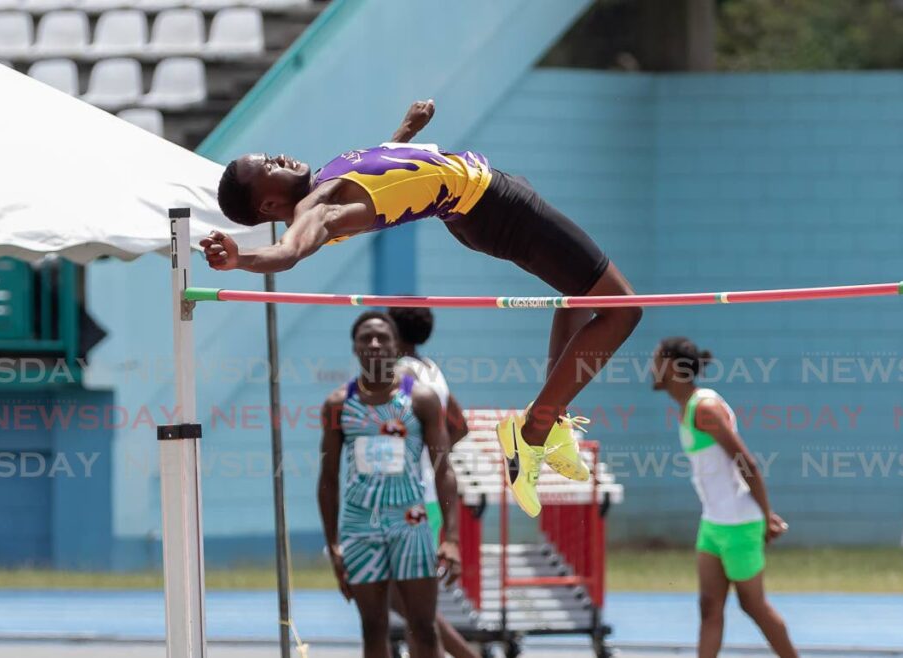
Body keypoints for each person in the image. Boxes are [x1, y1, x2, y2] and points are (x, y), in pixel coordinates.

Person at [203, 99, 642, 517]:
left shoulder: (325, 181)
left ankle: (551, 421)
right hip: (493, 208)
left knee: (581, 295)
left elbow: (386, 175)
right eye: (269, 166)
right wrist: (241, 258)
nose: (279, 156)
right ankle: (533, 431)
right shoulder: (316, 210)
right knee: (622, 308)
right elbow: (289, 250)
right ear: (268, 204)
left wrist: (406, 131)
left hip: (482, 203)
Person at [318, 311, 461, 658]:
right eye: (365, 337)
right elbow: (328, 478)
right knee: (373, 627)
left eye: (383, 337)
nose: (375, 343)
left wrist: (452, 538)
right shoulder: (339, 403)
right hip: (359, 525)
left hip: (410, 521)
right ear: (354, 347)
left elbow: (444, 470)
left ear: (397, 346)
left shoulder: (420, 399)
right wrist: (334, 542)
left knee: (423, 627)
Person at [652, 337, 798, 658]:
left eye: (656, 361)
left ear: (675, 367)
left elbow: (747, 463)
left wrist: (766, 515)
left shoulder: (704, 409)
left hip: (738, 523)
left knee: (754, 606)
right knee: (709, 608)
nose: (651, 369)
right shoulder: (690, 407)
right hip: (713, 524)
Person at [388, 306, 479, 658]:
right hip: (426, 494)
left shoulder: (402, 375)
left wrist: (421, 457)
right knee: (408, 601)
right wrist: (432, 456)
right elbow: (460, 425)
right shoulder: (432, 371)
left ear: (394, 333)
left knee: (405, 600)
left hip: (408, 497)